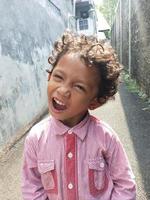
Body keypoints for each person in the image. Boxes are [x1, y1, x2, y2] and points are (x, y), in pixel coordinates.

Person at [21, 31, 136, 200]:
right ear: (49, 75)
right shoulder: (35, 139)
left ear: (94, 102)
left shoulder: (105, 137)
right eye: (58, 77)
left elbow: (125, 184)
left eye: (79, 87)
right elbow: (32, 188)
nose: (63, 90)